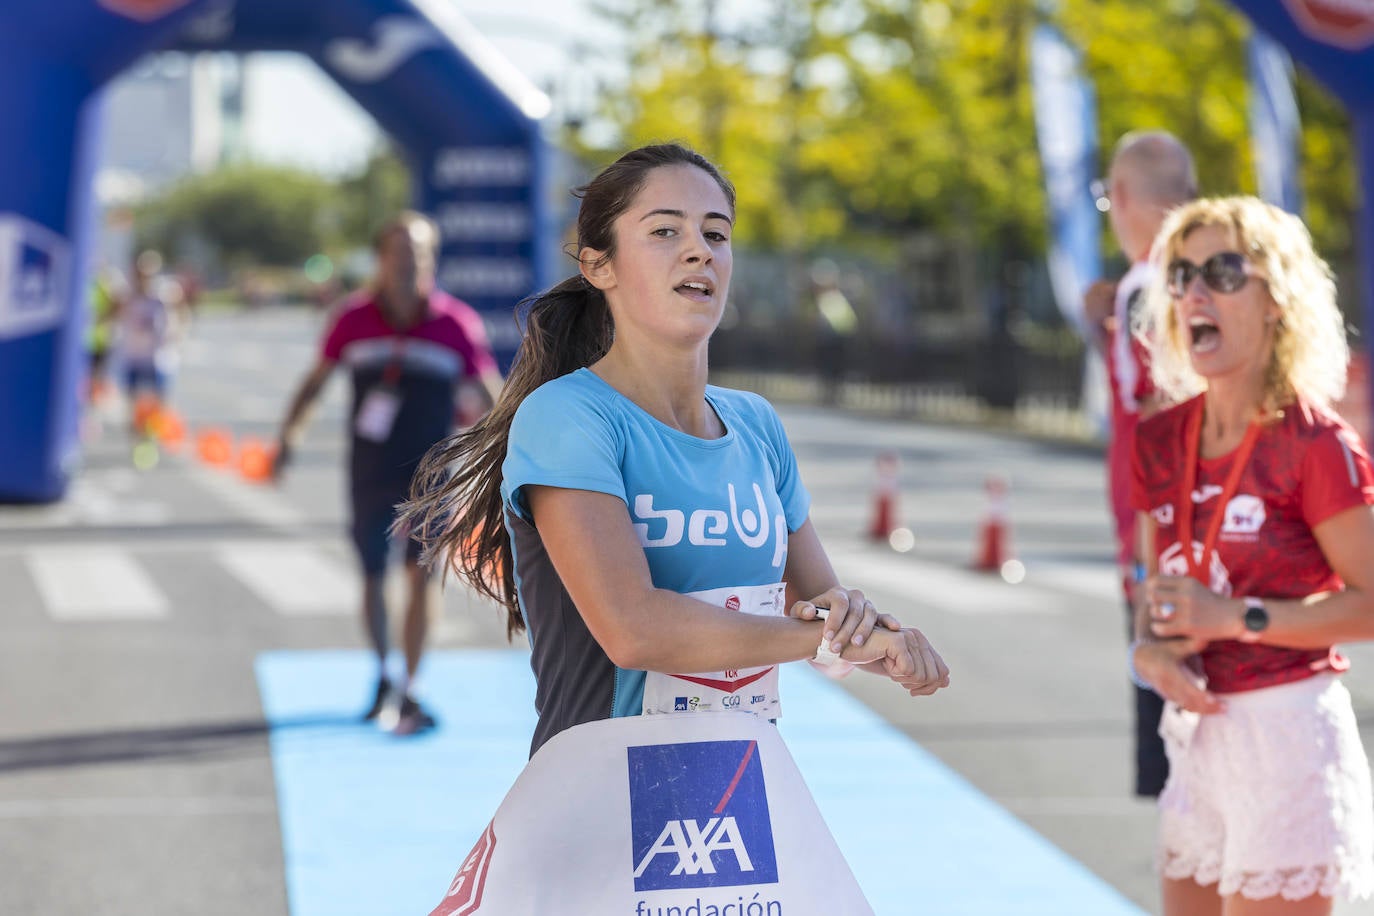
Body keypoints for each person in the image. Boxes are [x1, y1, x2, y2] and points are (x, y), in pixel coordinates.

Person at [401, 143, 949, 759]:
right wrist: (820, 637)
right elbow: (634, 630)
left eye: (716, 233)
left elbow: (815, 609)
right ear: (598, 266)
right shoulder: (566, 416)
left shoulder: (756, 423)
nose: (700, 250)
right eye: (665, 230)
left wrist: (879, 638)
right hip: (599, 801)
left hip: (734, 797)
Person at [1130, 196, 1374, 914]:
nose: (1194, 291)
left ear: (1277, 300)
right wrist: (1150, 652)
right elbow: (1157, 596)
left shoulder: (1316, 445)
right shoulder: (1160, 438)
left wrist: (1237, 618)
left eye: (1223, 270)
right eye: (1180, 274)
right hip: (1201, 740)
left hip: (1289, 738)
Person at [273, 211, 503, 736]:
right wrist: (289, 435)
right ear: (380, 259)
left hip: (434, 474)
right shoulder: (352, 319)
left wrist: (514, 455)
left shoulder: (454, 323)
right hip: (370, 468)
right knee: (374, 573)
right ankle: (381, 674)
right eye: (399, 252)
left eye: (420, 253)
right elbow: (315, 382)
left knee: (422, 577)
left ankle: (414, 686)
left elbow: (492, 397)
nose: (410, 263)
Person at [1083, 130, 1196, 797]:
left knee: (1180, 783)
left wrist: (1148, 565)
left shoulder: (1146, 285)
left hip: (1164, 548)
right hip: (1228, 542)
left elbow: (1160, 419)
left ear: (1121, 197)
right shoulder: (1220, 275)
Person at [113, 249, 187, 431]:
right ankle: (135, 426)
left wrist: (176, 332)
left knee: (158, 394)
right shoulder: (128, 294)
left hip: (156, 355)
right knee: (132, 395)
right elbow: (114, 311)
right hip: (134, 353)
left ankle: (157, 425)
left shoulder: (164, 293)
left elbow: (181, 311)